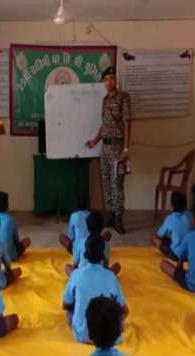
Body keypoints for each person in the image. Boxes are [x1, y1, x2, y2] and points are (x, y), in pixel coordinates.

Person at [86, 66, 132, 234]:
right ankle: (111, 214)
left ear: (115, 80)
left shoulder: (123, 98)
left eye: (111, 78)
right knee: (107, 182)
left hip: (118, 147)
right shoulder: (105, 100)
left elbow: (128, 123)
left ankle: (119, 218)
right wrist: (94, 141)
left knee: (117, 183)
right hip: (105, 147)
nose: (109, 82)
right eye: (106, 79)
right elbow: (104, 126)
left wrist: (126, 149)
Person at [63, 234, 127, 344]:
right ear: (103, 255)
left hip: (83, 334)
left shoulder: (76, 275)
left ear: (85, 254)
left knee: (70, 311)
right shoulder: (110, 276)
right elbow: (124, 310)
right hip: (107, 335)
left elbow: (65, 304)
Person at [160, 203, 195, 293]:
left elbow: (180, 261)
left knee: (163, 264)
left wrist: (179, 272)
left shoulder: (189, 237)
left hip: (192, 284)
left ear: (194, 220)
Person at [65, 211, 121, 277]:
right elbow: (106, 265)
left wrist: (76, 274)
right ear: (102, 227)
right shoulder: (106, 244)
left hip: (83, 277)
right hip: (100, 277)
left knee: (67, 267)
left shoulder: (82, 242)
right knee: (117, 266)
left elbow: (75, 263)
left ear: (87, 228)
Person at [59, 191, 112, 255]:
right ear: (88, 203)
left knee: (61, 237)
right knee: (108, 233)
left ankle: (77, 253)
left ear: (75, 204)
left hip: (79, 250)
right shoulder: (92, 216)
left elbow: (71, 237)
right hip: (94, 248)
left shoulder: (73, 216)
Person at [150, 191, 192, 261]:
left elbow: (159, 235)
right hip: (189, 254)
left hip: (176, 255)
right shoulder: (190, 215)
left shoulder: (170, 218)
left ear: (172, 205)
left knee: (153, 237)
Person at [0, 191, 31, 261]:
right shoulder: (11, 220)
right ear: (7, 205)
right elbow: (16, 240)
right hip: (9, 257)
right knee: (27, 240)